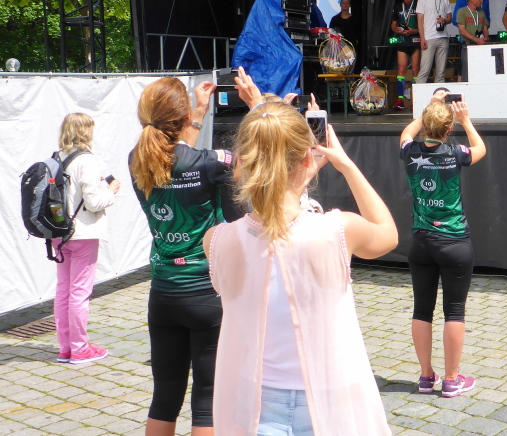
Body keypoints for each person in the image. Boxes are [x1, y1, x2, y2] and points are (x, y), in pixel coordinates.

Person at [205, 102, 397, 435]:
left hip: (254, 404)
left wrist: (293, 181)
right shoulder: (337, 229)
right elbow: (387, 235)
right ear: (307, 159)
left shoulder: (217, 240)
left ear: (242, 161)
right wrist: (346, 165)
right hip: (329, 401)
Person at [129, 78, 233, 436]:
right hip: (207, 293)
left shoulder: (136, 159)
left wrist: (198, 113)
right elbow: (261, 161)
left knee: (164, 396)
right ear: (183, 117)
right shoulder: (210, 162)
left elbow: (174, 157)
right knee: (207, 400)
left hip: (163, 294)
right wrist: (258, 106)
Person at [400, 99, 486, 398]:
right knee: (455, 312)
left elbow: (405, 134)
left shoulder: (410, 151)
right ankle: (451, 380)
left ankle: (426, 377)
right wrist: (466, 120)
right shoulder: (456, 152)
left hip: (421, 241)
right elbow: (480, 148)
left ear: (425, 125)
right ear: (449, 127)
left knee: (422, 309)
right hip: (454, 242)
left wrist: (427, 111)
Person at [54, 113, 120, 364]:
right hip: (83, 233)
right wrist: (111, 191)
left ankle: (65, 348)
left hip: (59, 233)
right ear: (86, 132)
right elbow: (93, 203)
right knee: (79, 293)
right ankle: (80, 349)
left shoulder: (57, 158)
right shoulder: (87, 160)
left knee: (63, 291)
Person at [452, 0, 490, 81]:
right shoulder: (462, 1)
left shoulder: (485, 3)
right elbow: (457, 23)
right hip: (467, 43)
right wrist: (473, 37)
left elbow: (486, 22)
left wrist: (484, 36)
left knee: (481, 71)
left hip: (480, 43)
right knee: (465, 71)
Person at [416, 0, 452, 84]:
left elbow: (450, 17)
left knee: (441, 72)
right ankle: (419, 94)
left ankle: (439, 94)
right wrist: (422, 38)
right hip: (429, 37)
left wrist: (444, 20)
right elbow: (420, 20)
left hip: (443, 37)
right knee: (425, 69)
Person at [391, 0, 421, 110]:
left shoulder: (419, 4)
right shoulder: (398, 6)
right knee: (401, 68)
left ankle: (415, 100)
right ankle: (400, 99)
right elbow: (393, 24)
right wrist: (396, 29)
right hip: (402, 39)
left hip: (415, 39)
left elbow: (424, 23)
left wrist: (415, 31)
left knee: (415, 70)